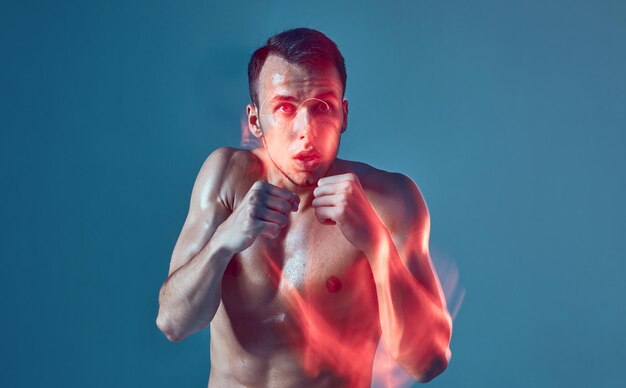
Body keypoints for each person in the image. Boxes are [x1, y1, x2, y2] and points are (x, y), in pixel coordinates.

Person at [156, 27, 452, 387]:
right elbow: (173, 323)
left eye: (321, 107)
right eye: (284, 108)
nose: (306, 131)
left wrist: (376, 243)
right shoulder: (226, 178)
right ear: (255, 121)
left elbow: (427, 362)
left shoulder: (389, 199)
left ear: (343, 115)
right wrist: (224, 240)